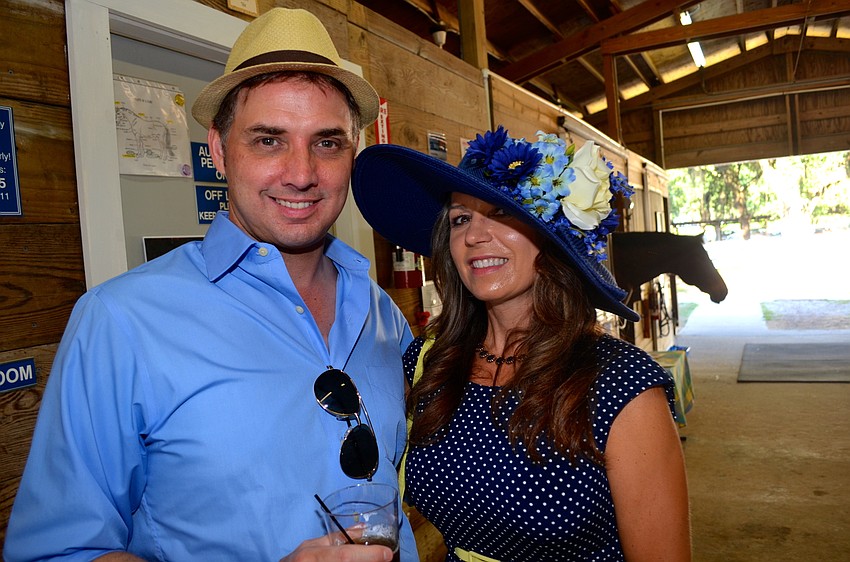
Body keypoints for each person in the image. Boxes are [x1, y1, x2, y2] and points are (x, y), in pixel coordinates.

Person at [5, 8, 416, 562]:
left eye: (327, 143)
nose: (301, 172)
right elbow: (58, 553)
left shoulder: (384, 314)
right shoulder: (120, 321)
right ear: (220, 150)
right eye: (269, 140)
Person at [352, 127, 692, 561]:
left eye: (501, 213)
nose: (473, 235)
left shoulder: (620, 384)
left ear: (551, 239)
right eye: (460, 219)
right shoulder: (430, 362)